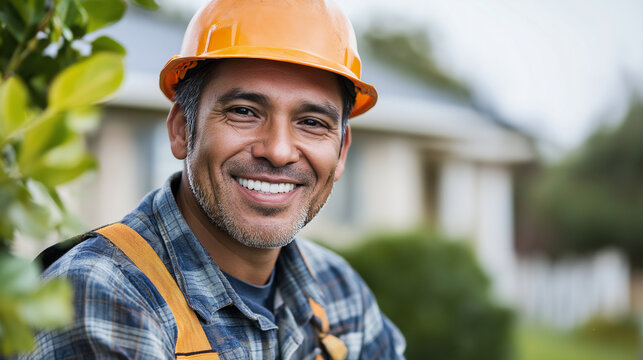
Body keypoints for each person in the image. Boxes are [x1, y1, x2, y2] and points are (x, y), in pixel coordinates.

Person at [24, 0, 405, 359]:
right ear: (180, 129)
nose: (278, 150)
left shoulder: (339, 291)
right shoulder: (105, 295)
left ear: (341, 152)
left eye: (311, 123)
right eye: (244, 111)